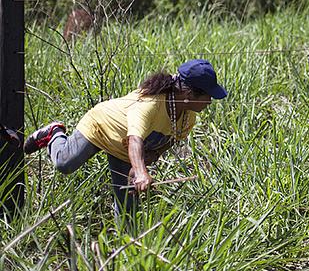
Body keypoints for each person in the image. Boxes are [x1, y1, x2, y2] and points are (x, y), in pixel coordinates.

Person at [22, 59, 227, 217]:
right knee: (64, 164)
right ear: (189, 94)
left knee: (129, 211)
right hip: (101, 127)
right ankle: (54, 132)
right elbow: (136, 139)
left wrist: (144, 162)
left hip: (124, 149)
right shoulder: (151, 105)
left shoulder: (187, 118)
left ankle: (126, 255)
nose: (210, 101)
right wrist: (139, 172)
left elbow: (168, 141)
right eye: (207, 96)